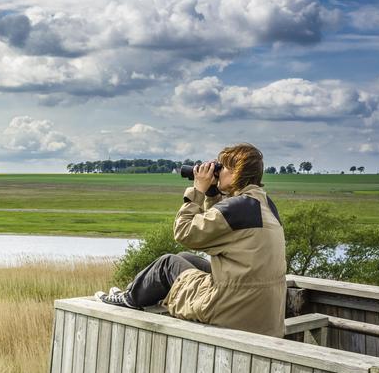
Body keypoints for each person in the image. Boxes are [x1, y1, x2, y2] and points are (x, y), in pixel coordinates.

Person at [96, 143, 287, 337]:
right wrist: (213, 193)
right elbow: (221, 229)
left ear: (236, 172)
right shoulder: (263, 204)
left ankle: (129, 298)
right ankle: (133, 290)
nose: (217, 171)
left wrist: (197, 191)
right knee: (186, 257)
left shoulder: (237, 208)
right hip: (263, 312)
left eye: (222, 167)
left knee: (168, 264)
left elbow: (184, 232)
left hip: (232, 309)